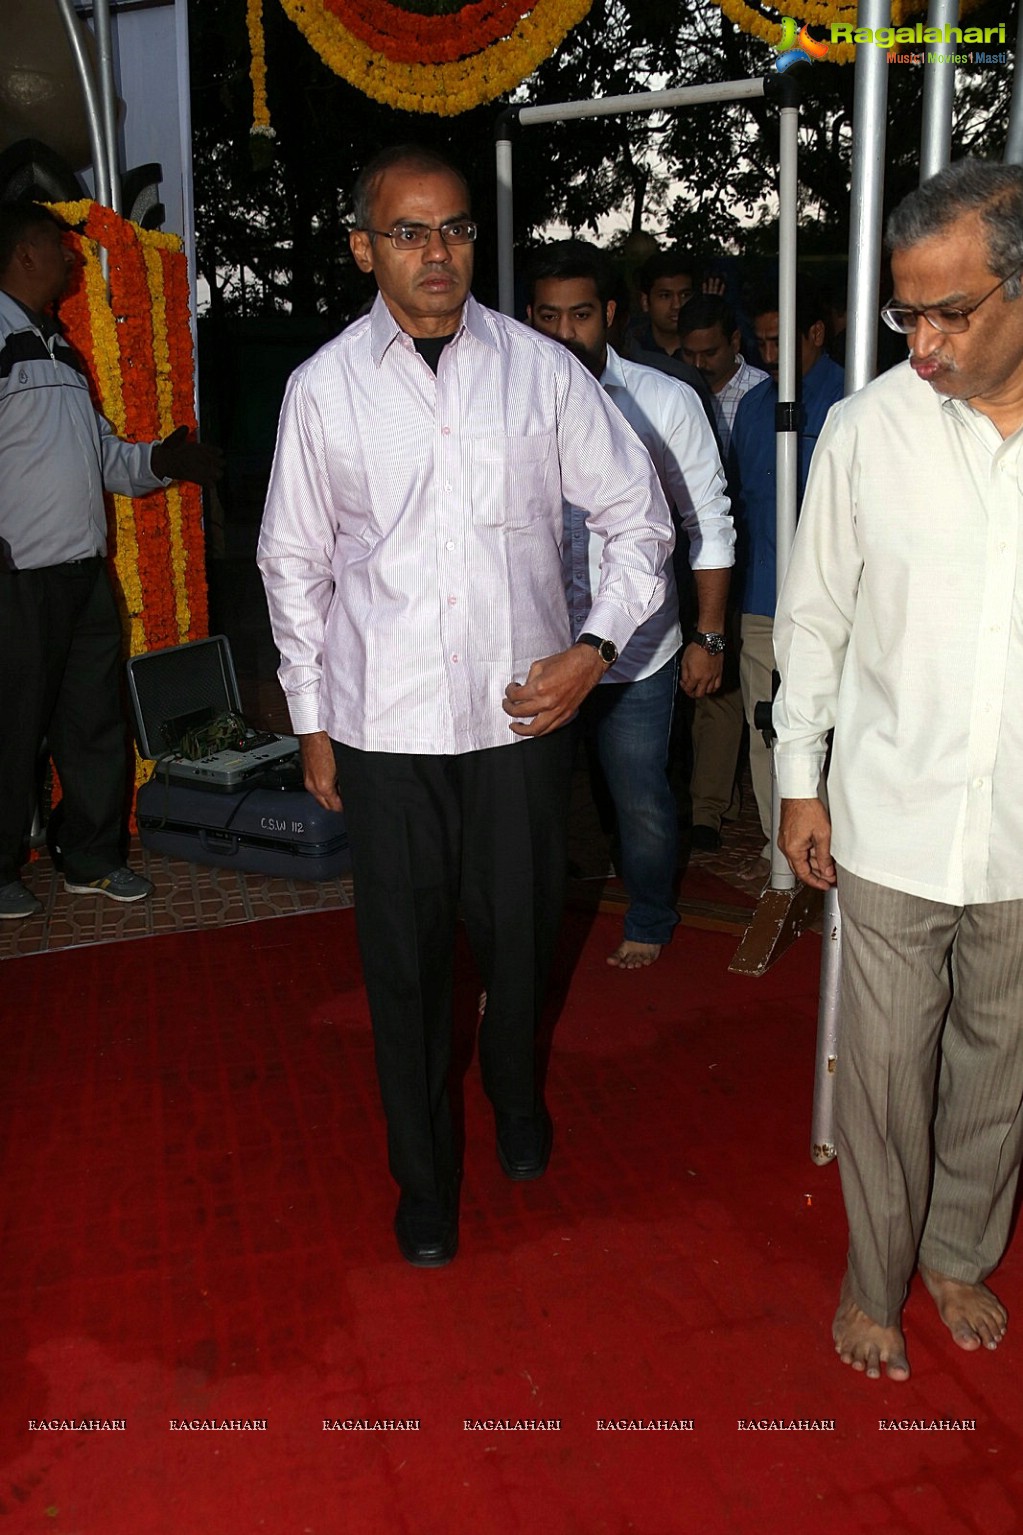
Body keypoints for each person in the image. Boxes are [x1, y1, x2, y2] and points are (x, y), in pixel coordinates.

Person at [257, 146, 674, 1267]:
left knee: (524, 938)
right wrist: (310, 717)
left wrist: (594, 651)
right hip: (386, 726)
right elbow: (292, 561)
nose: (436, 252)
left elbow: (641, 522)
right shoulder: (324, 388)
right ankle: (425, 1178)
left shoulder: (544, 374)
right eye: (408, 232)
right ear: (363, 248)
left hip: (519, 722)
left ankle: (515, 1099)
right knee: (403, 963)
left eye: (452, 230)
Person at [774, 160, 1023, 1382]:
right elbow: (814, 617)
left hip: (1022, 830)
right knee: (879, 1074)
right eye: (904, 315)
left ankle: (960, 1254)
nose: (921, 345)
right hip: (890, 812)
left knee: (999, 1063)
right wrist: (799, 777)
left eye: (951, 314)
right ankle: (874, 1281)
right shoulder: (866, 429)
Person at [0, 202, 221, 920]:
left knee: (93, 722)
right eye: (56, 247)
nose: (70, 260)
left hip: (82, 576)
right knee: (9, 725)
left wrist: (164, 459)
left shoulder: (60, 348)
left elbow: (105, 457)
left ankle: (90, 858)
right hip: (15, 577)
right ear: (22, 255)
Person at [526, 239, 733, 968]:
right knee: (527, 811)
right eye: (546, 316)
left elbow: (704, 519)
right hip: (537, 647)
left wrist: (709, 636)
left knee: (639, 793)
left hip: (639, 649)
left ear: (609, 314)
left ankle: (648, 914)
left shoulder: (665, 400)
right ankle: (527, 941)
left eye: (579, 314)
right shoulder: (504, 409)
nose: (562, 333)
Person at [730, 283, 844, 846]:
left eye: (780, 341)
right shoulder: (753, 407)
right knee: (766, 727)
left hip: (844, 605)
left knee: (839, 732)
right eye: (761, 341)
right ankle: (783, 854)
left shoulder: (854, 398)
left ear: (815, 334)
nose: (768, 355)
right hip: (762, 602)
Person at [676, 294, 769, 851]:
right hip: (699, 560)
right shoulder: (678, 392)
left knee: (752, 684)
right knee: (710, 684)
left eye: (710, 351)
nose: (701, 363)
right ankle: (708, 809)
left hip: (755, 558)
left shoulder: (765, 394)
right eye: (690, 353)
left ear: (735, 342)